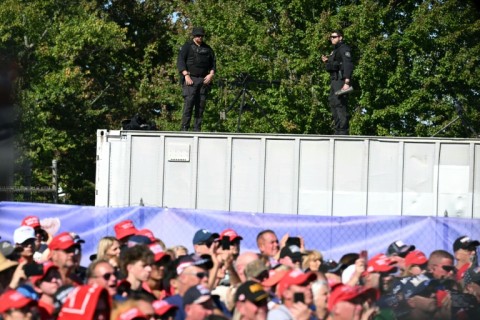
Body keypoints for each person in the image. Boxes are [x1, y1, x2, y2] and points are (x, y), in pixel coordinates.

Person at [177, 26, 216, 132]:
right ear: (194, 36)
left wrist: (211, 74)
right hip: (190, 79)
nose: (200, 37)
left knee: (200, 105)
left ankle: (197, 129)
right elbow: (180, 61)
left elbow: (213, 63)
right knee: (189, 103)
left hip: (203, 80)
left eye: (202, 36)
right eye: (198, 35)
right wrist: (186, 75)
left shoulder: (208, 49)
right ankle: (184, 128)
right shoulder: (187, 47)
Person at [321, 30, 354, 135]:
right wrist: (327, 61)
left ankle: (342, 131)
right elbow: (335, 64)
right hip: (334, 80)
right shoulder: (335, 50)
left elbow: (347, 64)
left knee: (339, 104)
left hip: (340, 80)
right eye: (331, 37)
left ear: (340, 37)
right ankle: (338, 130)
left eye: (334, 37)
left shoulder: (344, 48)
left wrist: (347, 81)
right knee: (333, 103)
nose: (332, 38)